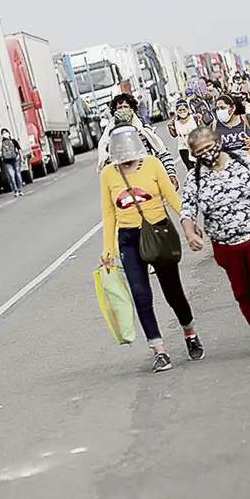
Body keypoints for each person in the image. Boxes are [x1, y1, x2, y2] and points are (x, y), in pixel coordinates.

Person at [181, 127, 250, 353]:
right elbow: (187, 210)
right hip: (225, 245)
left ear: (218, 142)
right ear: (194, 154)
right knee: (243, 290)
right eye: (200, 151)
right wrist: (190, 233)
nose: (207, 153)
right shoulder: (194, 177)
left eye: (209, 146)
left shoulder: (243, 160)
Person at [100, 121, 204, 372]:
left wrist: (188, 223)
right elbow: (109, 212)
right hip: (128, 240)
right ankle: (158, 349)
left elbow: (172, 197)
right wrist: (108, 251)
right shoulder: (108, 174)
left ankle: (189, 332)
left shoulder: (153, 165)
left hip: (159, 233)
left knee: (172, 291)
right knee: (140, 295)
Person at [96, 93, 178, 188]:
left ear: (132, 109)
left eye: (126, 107)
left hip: (147, 176)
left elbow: (161, 151)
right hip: (124, 181)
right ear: (115, 110)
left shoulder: (143, 129)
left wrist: (170, 173)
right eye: (120, 107)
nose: (123, 110)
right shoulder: (109, 136)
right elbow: (106, 161)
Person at [211, 94, 250, 168]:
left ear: (233, 108)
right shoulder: (214, 127)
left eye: (223, 108)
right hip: (228, 168)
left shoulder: (247, 119)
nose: (220, 111)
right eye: (217, 109)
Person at [167, 99, 200, 169]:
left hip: (195, 145)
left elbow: (202, 129)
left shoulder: (194, 118)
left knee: (199, 166)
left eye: (184, 110)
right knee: (190, 167)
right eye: (180, 110)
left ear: (188, 109)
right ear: (177, 111)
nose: (182, 112)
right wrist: (170, 127)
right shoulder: (175, 121)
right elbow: (174, 135)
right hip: (183, 147)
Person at [0, 128, 24, 197]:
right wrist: (1, 140)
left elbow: (19, 149)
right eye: (3, 133)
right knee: (13, 175)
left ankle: (19, 190)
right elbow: (0, 149)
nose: (5, 134)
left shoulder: (13, 141)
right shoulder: (1, 143)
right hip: (8, 161)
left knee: (15, 175)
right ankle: (17, 190)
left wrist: (22, 157)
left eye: (5, 132)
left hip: (14, 159)